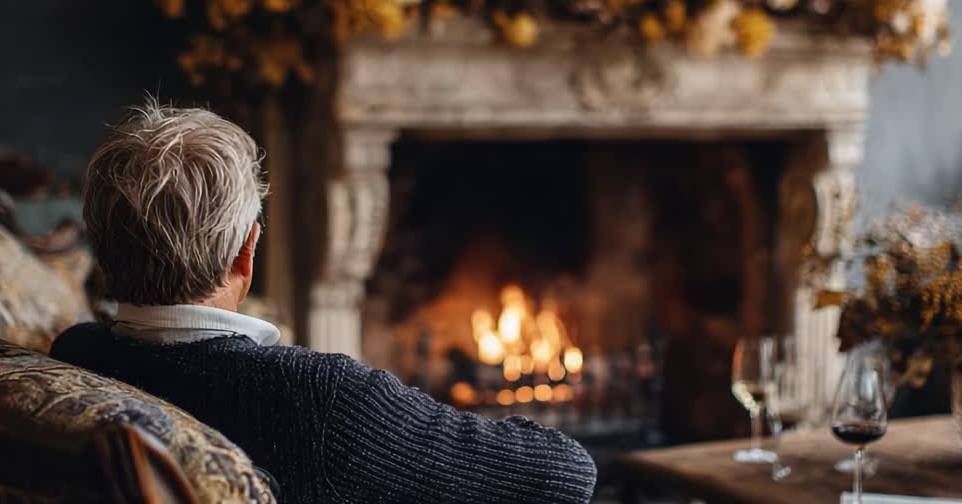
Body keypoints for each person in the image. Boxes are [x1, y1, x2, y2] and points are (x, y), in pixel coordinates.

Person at [51, 101, 596, 503]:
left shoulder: (75, 356)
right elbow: (570, 474)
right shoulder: (323, 400)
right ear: (248, 251)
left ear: (100, 248)